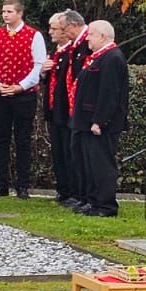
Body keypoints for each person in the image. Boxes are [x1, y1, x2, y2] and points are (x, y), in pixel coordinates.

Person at [0, 0, 47, 198]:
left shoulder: (34, 36)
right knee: (1, 139)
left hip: (24, 96)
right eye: (3, 11)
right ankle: (0, 184)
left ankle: (22, 185)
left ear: (19, 14)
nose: (5, 15)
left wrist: (20, 86)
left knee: (23, 140)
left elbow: (39, 65)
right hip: (0, 94)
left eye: (9, 11)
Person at [69, 21, 129, 217]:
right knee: (90, 163)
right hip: (87, 121)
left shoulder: (112, 58)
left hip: (101, 124)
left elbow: (109, 93)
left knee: (102, 164)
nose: (87, 37)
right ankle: (93, 201)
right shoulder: (98, 57)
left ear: (103, 36)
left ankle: (106, 205)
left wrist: (99, 121)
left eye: (92, 34)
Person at [42, 11, 88, 208]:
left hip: (68, 111)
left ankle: (75, 192)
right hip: (55, 111)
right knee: (59, 153)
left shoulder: (76, 50)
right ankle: (63, 190)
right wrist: (43, 72)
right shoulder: (56, 52)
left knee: (71, 153)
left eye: (55, 28)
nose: (51, 32)